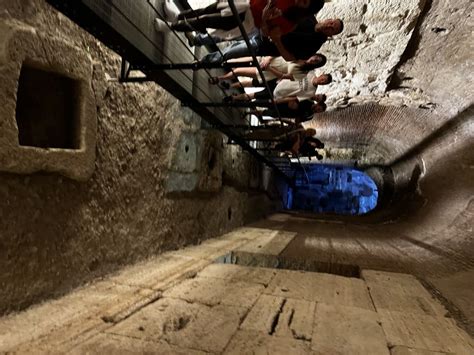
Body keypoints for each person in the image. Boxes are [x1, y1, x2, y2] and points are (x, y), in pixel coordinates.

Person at [155, 0, 326, 42]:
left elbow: (267, 34)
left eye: (304, 3)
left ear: (306, 10)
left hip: (246, 21)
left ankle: (171, 27)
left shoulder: (291, 23)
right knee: (207, 10)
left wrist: (266, 18)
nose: (299, 1)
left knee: (206, 20)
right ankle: (177, 16)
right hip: (244, 4)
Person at [200, 18, 343, 63]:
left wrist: (277, 41)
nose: (330, 25)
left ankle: (202, 63)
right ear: (329, 19)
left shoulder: (314, 45)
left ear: (331, 34)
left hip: (263, 45)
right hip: (261, 29)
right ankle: (199, 40)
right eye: (332, 22)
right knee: (228, 34)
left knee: (230, 53)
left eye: (333, 29)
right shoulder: (308, 16)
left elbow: (289, 58)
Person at [208, 53, 326, 89]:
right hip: (266, 59)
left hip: (268, 71)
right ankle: (210, 62)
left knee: (238, 71)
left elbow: (283, 76)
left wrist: (269, 68)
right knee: (234, 60)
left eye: (316, 61)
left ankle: (219, 79)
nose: (313, 60)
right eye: (315, 57)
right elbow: (280, 51)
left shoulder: (303, 73)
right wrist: (269, 59)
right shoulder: (300, 52)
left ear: (315, 65)